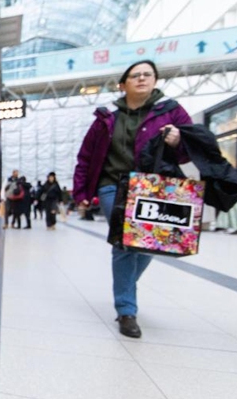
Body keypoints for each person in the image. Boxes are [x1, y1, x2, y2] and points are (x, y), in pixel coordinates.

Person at [73, 59, 193, 339]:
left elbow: (196, 148)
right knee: (125, 243)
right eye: (135, 75)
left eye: (147, 75)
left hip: (154, 188)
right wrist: (81, 193)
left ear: (155, 80)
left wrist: (178, 140)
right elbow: (86, 158)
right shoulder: (107, 120)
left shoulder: (172, 112)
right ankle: (126, 309)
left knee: (149, 244)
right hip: (112, 186)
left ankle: (124, 285)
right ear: (123, 84)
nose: (141, 79)